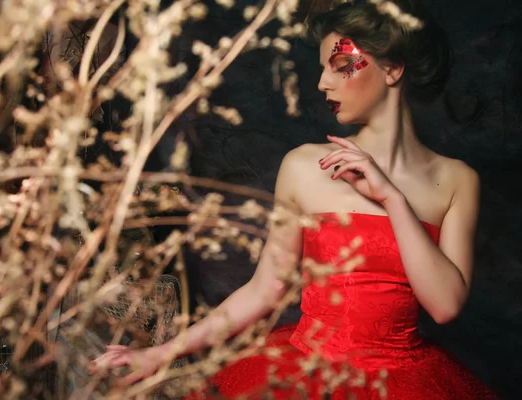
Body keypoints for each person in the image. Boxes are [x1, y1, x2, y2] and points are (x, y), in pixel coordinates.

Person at [90, 0, 500, 398]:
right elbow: (263, 290)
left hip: (407, 382)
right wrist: (159, 354)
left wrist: (393, 199)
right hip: (303, 374)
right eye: (323, 68)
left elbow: (445, 306)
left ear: (392, 69)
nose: (323, 82)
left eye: (340, 66)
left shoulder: (456, 179)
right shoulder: (305, 167)